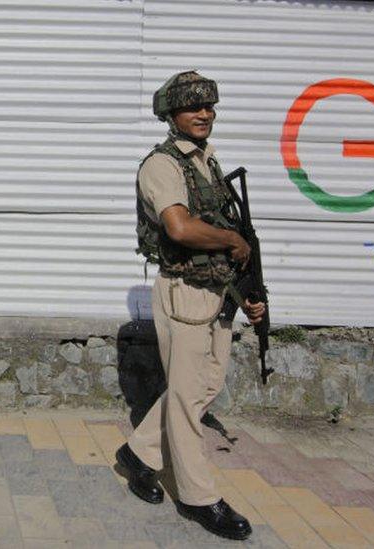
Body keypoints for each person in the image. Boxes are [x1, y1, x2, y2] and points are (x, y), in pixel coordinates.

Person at [116, 71, 266, 541]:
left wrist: (249, 296)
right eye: (192, 108)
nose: (204, 115)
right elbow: (180, 228)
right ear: (171, 114)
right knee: (185, 398)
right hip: (185, 293)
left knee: (204, 385)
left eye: (209, 108)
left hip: (217, 292)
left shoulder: (207, 160)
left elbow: (230, 233)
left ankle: (138, 454)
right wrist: (231, 240)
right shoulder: (162, 165)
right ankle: (199, 497)